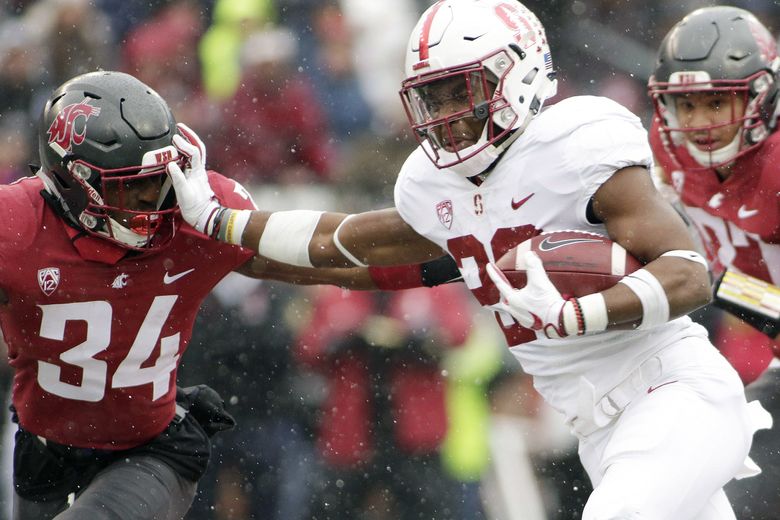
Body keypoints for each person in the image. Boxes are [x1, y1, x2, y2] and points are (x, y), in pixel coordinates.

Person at [168, 1, 770, 518]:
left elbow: (688, 274)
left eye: (461, 89)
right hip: (598, 427)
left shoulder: (575, 147)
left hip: (670, 392)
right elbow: (344, 245)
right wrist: (222, 228)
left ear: (520, 71)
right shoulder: (440, 193)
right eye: (433, 96)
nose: (447, 114)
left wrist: (577, 314)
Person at [3, 70, 426, 520]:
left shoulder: (195, 213)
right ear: (71, 181)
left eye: (160, 179)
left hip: (148, 451)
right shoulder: (16, 225)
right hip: (45, 452)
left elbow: (325, 256)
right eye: (132, 185)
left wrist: (448, 257)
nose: (154, 200)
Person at [647, 6, 780, 518]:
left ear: (761, 95)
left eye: (717, 103)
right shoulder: (666, 150)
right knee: (720, 500)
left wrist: (716, 282)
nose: (699, 124)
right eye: (687, 105)